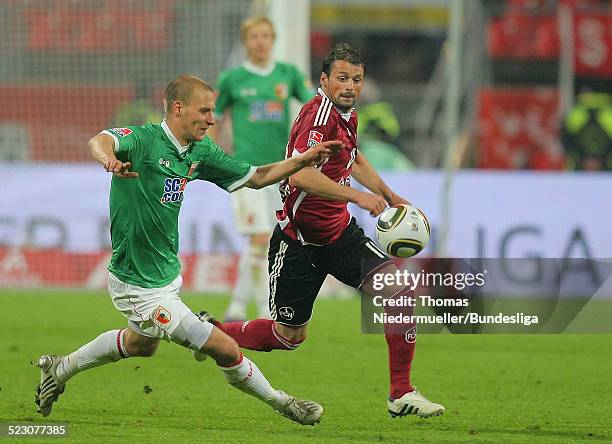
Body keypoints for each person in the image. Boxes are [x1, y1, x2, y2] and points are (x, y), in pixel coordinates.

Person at [32, 74, 343, 425]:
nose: (212, 119)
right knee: (223, 347)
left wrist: (302, 160)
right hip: (136, 283)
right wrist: (108, 160)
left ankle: (59, 370)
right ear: (178, 108)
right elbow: (100, 139)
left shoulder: (200, 150)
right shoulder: (144, 140)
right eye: (205, 110)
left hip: (166, 275)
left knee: (140, 345)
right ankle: (284, 403)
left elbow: (256, 177)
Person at [202, 44, 445, 418]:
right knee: (288, 336)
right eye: (343, 78)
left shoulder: (347, 115)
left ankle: (401, 392)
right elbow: (300, 174)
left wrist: (389, 194)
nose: (350, 86)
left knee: (398, 292)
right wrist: (357, 197)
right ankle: (211, 332)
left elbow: (353, 157)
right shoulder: (318, 117)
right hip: (298, 243)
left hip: (340, 235)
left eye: (357, 79)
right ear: (325, 80)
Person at [212, 16, 314, 321]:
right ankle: (258, 311)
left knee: (269, 238)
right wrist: (216, 157)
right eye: (255, 36)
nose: (261, 41)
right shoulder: (232, 79)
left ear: (273, 39)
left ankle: (238, 308)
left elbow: (314, 109)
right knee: (258, 238)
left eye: (266, 35)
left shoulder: (288, 75)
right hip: (247, 172)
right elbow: (213, 120)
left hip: (281, 171)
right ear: (246, 41)